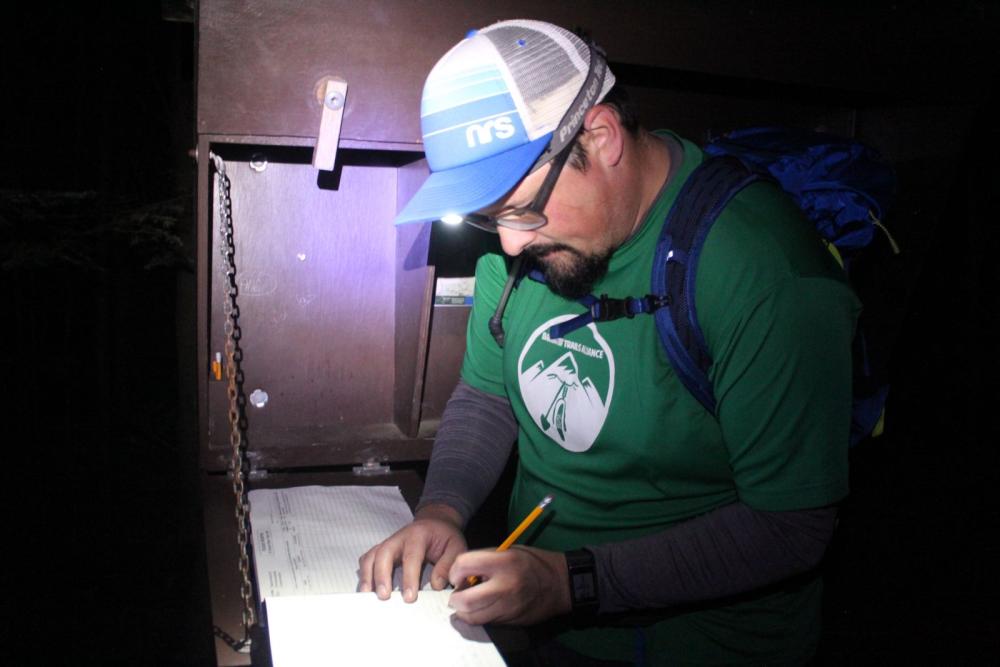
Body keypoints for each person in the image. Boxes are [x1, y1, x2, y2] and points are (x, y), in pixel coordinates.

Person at [359, 19, 859, 666]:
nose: (508, 244)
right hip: (537, 623)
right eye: (488, 216)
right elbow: (489, 397)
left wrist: (574, 581)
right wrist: (443, 509)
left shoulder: (764, 272)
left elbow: (791, 526)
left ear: (599, 136)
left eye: (520, 209)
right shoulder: (525, 251)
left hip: (701, 645)